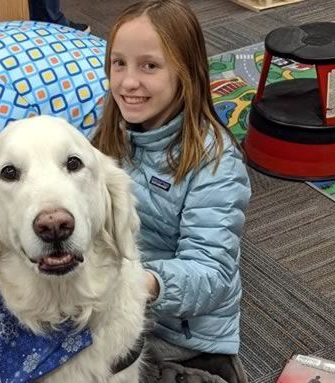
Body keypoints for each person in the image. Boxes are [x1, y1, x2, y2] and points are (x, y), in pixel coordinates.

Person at [91, 1, 252, 382]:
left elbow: (211, 273)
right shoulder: (108, 135)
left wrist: (135, 284)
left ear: (186, 73)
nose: (128, 82)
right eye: (119, 64)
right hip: (116, 310)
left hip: (182, 336)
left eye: (149, 66)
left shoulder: (217, 163)